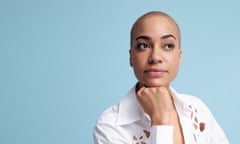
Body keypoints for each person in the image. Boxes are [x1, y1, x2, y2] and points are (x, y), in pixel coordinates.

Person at [93, 11, 229, 144]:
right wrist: (160, 120)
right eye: (143, 46)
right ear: (131, 57)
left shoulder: (197, 109)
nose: (155, 57)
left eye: (168, 46)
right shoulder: (109, 126)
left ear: (179, 57)